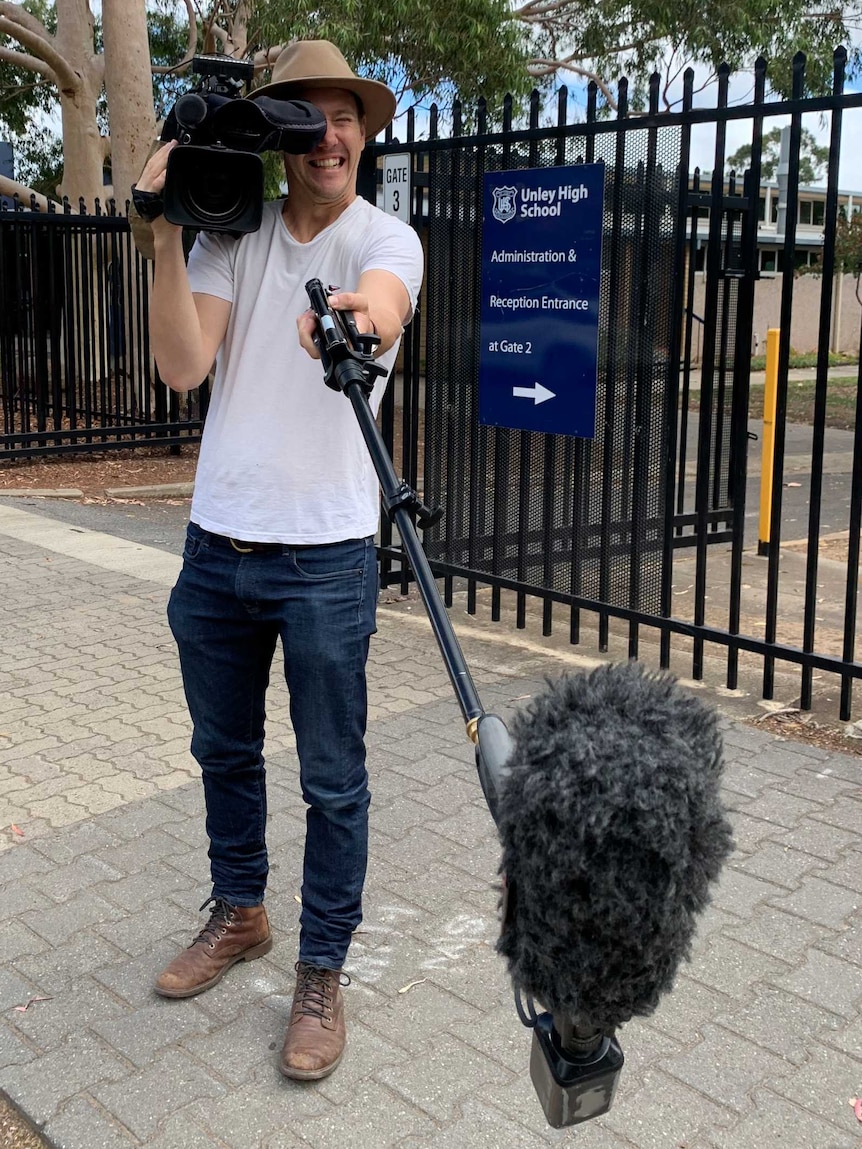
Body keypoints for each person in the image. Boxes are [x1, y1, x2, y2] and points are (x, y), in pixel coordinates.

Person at [132, 39, 424, 1081]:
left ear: (362, 134)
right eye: (305, 117)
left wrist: (353, 320)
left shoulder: (386, 236)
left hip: (328, 560)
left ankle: (321, 969)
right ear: (280, 140)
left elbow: (382, 304)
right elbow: (180, 366)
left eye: (343, 115)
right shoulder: (230, 233)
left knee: (334, 782)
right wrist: (161, 233)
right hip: (217, 547)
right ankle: (241, 911)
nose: (328, 135)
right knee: (224, 754)